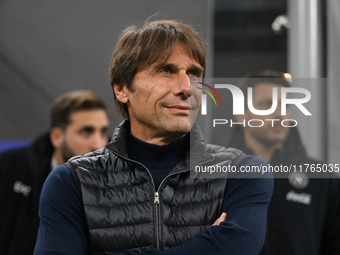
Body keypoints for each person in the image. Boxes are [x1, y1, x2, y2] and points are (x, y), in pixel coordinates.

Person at [34, 20, 273, 255]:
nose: (186, 88)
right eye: (166, 71)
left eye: (194, 73)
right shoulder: (71, 182)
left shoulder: (242, 173)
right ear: (122, 89)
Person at [228, 70, 340, 255]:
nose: (280, 114)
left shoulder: (322, 179)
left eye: (285, 106)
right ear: (241, 115)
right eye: (267, 105)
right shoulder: (217, 175)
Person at [0, 90, 110, 255]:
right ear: (57, 137)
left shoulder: (119, 183)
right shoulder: (8, 167)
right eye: (86, 131)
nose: (98, 145)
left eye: (103, 132)